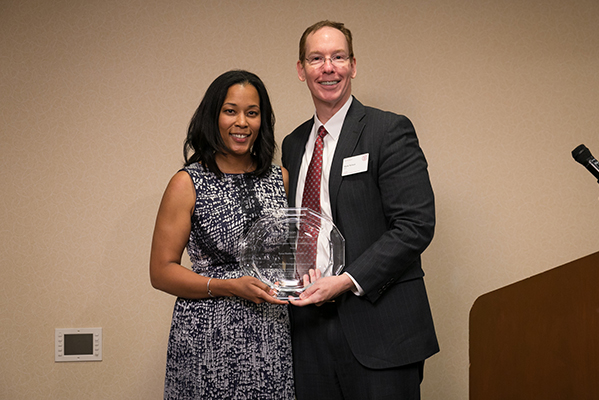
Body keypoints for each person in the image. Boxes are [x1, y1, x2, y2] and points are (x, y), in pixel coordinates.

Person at [281, 21, 439, 399]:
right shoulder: (292, 143)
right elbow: (293, 227)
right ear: (301, 70)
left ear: (353, 64)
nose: (328, 67)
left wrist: (347, 279)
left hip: (381, 330)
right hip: (307, 332)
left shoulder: (388, 131)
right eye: (316, 58)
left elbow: (415, 225)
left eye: (338, 56)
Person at [150, 70, 294, 399]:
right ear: (213, 117)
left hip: (270, 332)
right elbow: (161, 272)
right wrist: (228, 287)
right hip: (206, 334)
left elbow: (290, 257)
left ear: (262, 121)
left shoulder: (280, 179)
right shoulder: (187, 183)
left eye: (252, 113)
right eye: (230, 111)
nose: (241, 122)